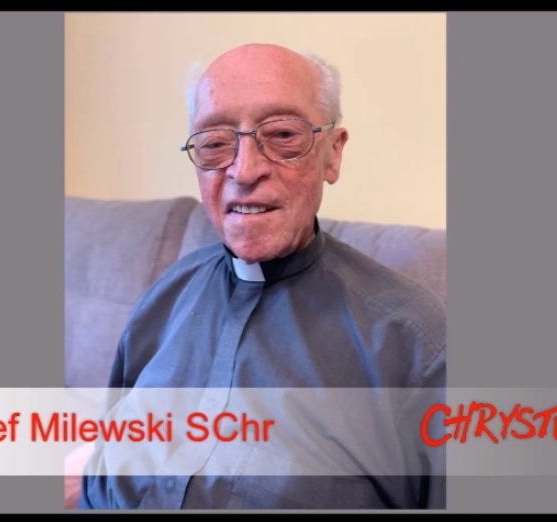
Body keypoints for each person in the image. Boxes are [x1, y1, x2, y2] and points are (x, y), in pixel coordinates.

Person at [77, 43, 446, 510]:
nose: (244, 170)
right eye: (214, 143)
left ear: (333, 154)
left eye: (283, 135)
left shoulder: (414, 345)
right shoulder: (167, 296)